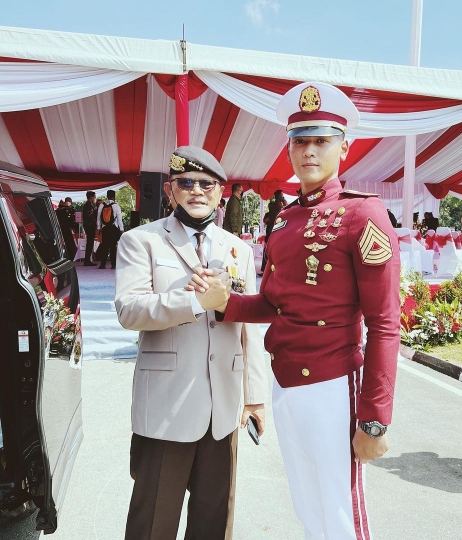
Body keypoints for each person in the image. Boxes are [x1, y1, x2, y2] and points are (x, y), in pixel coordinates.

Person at [188, 82, 401, 539]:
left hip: (333, 386)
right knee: (308, 510)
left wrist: (375, 418)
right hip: (286, 383)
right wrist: (224, 303)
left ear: (344, 145)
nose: (309, 151)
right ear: (288, 147)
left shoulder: (363, 215)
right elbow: (273, 303)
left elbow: (385, 324)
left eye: (321, 140)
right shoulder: (284, 220)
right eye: (300, 141)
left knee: (342, 515)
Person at [115, 146, 267, 540]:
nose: (196, 191)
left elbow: (248, 328)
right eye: (186, 183)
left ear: (220, 193)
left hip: (223, 409)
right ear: (171, 190)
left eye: (206, 184)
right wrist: (193, 301)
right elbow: (130, 310)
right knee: (153, 523)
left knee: (213, 520)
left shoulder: (240, 250)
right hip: (167, 406)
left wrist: (255, 397)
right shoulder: (141, 241)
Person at [261, 190, 287, 273]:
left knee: (269, 249)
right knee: (271, 249)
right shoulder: (277, 205)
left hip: (272, 230)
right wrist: (285, 202)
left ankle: (266, 267)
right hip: (273, 231)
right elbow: (286, 210)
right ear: (279, 196)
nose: (283, 197)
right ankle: (269, 268)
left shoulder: (276, 205)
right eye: (282, 195)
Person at [97, 189, 123, 269]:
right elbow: (119, 219)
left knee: (104, 246)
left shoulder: (102, 205)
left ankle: (103, 264)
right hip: (113, 228)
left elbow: (98, 217)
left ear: (107, 196)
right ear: (114, 197)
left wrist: (99, 227)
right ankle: (113, 264)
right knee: (113, 246)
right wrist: (121, 229)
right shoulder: (116, 206)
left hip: (105, 228)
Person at [82, 190, 97, 266]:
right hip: (90, 226)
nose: (95, 198)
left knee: (90, 243)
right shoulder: (89, 206)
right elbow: (90, 217)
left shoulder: (88, 205)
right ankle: (87, 260)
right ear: (91, 197)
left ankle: (87, 259)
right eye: (94, 196)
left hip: (88, 225)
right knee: (90, 243)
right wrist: (96, 223)